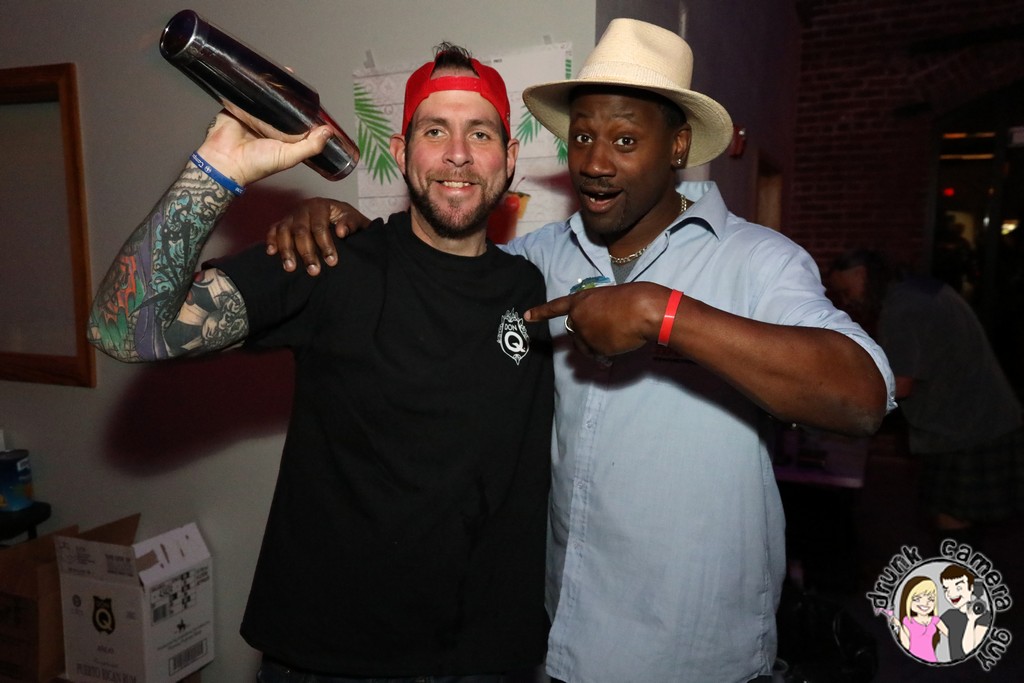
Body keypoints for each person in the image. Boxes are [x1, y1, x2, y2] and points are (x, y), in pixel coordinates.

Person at [264, 19, 895, 683]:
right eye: (583, 137)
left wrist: (662, 314)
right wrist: (349, 234)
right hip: (559, 645)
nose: (594, 162)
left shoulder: (755, 260)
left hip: (696, 654)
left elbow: (863, 397)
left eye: (624, 139)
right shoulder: (537, 261)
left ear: (678, 145)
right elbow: (442, 273)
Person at [87, 44, 555, 682]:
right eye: (434, 131)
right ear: (401, 152)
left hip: (487, 660)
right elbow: (123, 328)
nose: (457, 154)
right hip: (330, 661)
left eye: (480, 133)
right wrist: (218, 166)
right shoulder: (331, 263)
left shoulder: (531, 287)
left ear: (509, 157)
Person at [829, 249, 1024, 549]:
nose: (846, 301)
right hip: (983, 418)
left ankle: (957, 578)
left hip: (965, 430)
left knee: (951, 520)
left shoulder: (901, 307)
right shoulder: (915, 290)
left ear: (861, 274)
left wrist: (836, 411)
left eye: (846, 291)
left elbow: (901, 385)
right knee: (965, 522)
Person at [939, 564, 991, 660]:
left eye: (958, 588)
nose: (951, 594)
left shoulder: (984, 616)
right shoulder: (949, 615)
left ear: (971, 587)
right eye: (946, 589)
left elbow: (969, 650)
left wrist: (971, 620)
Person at [890, 576, 948, 662]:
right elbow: (906, 645)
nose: (925, 603)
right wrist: (898, 626)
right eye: (917, 599)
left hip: (931, 660)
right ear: (908, 600)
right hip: (912, 661)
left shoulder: (935, 620)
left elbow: (951, 635)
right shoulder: (908, 621)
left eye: (931, 599)